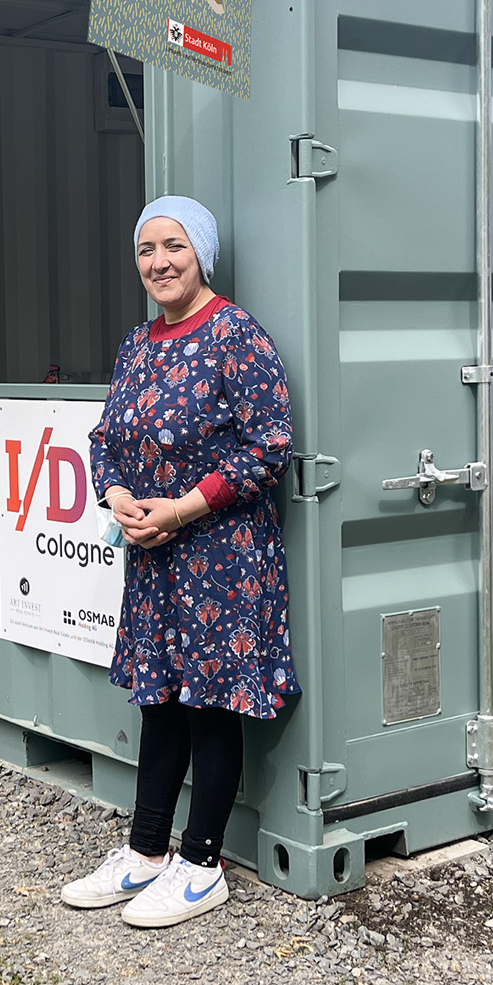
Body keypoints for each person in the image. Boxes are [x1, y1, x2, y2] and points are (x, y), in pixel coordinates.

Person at [61, 197, 299, 927]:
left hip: (221, 557)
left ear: (202, 253)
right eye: (145, 249)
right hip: (155, 558)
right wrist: (120, 495)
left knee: (207, 706)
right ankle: (145, 852)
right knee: (158, 699)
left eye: (173, 246)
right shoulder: (139, 344)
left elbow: (269, 444)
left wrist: (181, 507)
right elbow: (106, 437)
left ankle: (202, 863)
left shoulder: (235, 336)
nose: (159, 262)